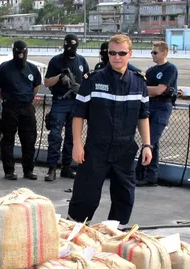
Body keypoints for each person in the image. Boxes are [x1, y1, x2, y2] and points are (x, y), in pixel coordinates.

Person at [68, 34, 152, 229]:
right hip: (96, 149)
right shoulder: (93, 80)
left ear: (130, 54)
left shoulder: (139, 82)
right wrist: (77, 145)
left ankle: (114, 235)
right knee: (85, 197)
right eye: (112, 53)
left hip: (125, 149)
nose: (116, 57)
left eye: (122, 53)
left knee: (124, 197)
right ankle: (74, 235)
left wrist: (147, 144)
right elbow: (78, 114)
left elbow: (143, 115)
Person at [0, 40, 42, 180]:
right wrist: (9, 100)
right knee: (7, 139)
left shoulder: (32, 68)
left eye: (23, 51)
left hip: (27, 107)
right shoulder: (4, 68)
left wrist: (27, 99)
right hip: (10, 107)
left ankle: (28, 171)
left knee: (29, 139)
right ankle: (9, 171)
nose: (21, 54)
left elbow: (36, 87)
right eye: (18, 51)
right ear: (13, 51)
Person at [43, 33, 89, 181]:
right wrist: (60, 77)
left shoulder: (82, 61)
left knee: (72, 136)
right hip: (60, 102)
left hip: (76, 102)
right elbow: (47, 82)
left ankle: (66, 167)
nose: (69, 49)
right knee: (55, 136)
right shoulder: (56, 61)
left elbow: (88, 82)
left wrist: (79, 88)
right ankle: (52, 168)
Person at [135, 41, 179, 186]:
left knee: (150, 141)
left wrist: (143, 89)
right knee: (153, 142)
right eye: (151, 52)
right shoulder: (152, 70)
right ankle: (151, 175)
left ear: (164, 52)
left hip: (162, 107)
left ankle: (140, 172)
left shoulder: (170, 69)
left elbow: (159, 90)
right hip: (150, 106)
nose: (152, 55)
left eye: (155, 52)